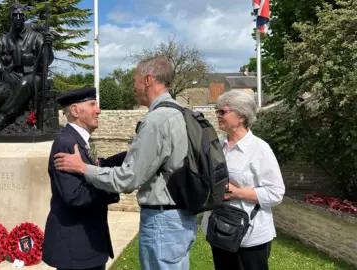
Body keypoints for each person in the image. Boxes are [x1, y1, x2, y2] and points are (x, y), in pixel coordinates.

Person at [53, 56, 198, 270]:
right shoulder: (180, 112)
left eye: (135, 80)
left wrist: (84, 168)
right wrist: (130, 155)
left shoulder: (157, 120)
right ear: (74, 111)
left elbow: (128, 179)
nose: (133, 87)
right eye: (92, 104)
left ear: (148, 79)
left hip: (163, 222)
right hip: (178, 220)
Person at [201, 90, 285, 270]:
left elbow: (276, 193)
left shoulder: (259, 149)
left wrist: (237, 193)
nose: (217, 115)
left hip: (249, 237)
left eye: (222, 112)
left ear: (241, 116)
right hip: (219, 230)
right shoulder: (218, 146)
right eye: (217, 111)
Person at [42, 87, 125, 270]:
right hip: (77, 249)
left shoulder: (79, 140)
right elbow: (75, 196)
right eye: (92, 104)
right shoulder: (66, 143)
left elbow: (94, 167)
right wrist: (112, 186)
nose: (99, 110)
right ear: (75, 110)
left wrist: (130, 155)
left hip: (87, 244)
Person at [0, 2, 54, 135]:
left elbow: (47, 61)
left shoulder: (36, 37)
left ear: (25, 17)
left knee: (24, 82)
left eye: (21, 15)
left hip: (33, 77)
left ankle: (1, 120)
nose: (18, 18)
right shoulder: (5, 39)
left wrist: (49, 46)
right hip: (13, 76)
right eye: (15, 15)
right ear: (11, 18)